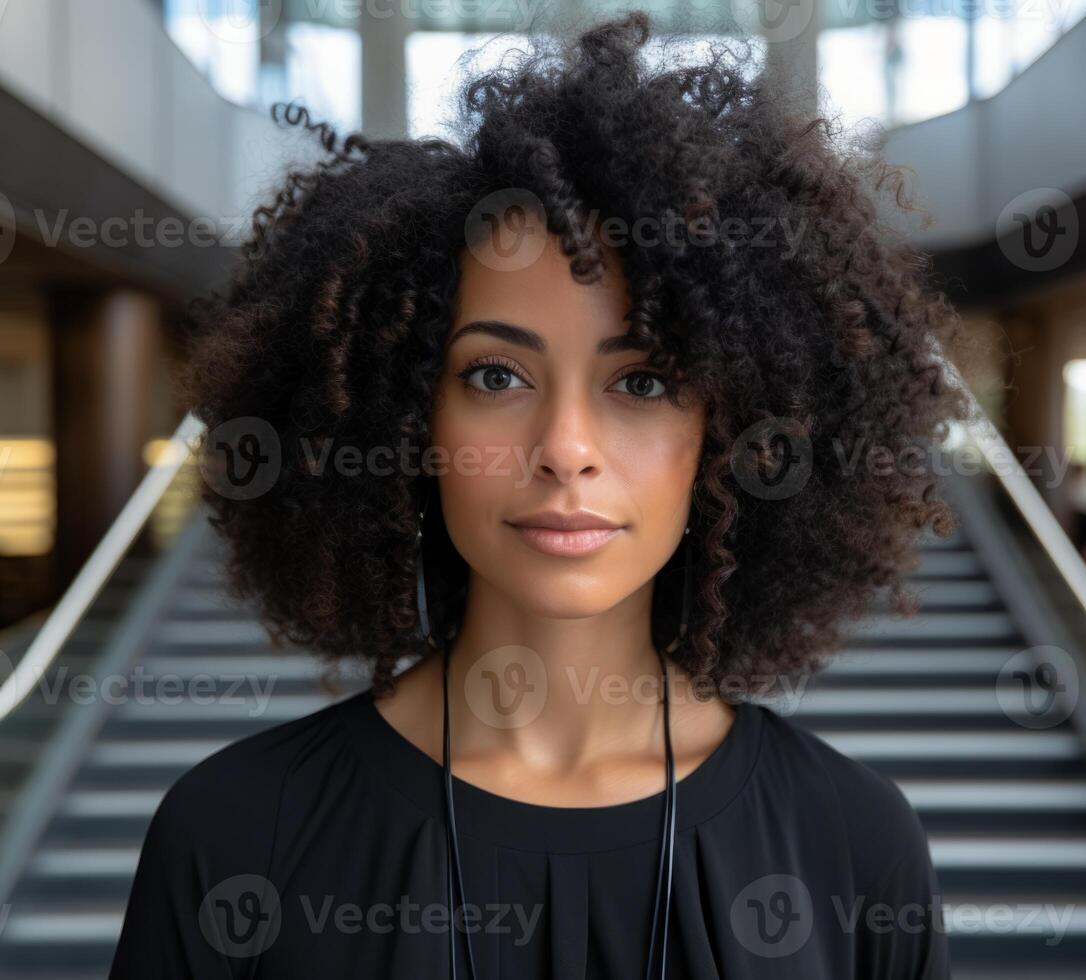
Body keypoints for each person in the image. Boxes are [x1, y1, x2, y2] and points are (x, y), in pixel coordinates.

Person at [108, 13, 967, 979]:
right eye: (494, 377)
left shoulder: (853, 843)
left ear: (732, 433)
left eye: (641, 382)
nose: (565, 450)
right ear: (403, 420)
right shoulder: (233, 835)